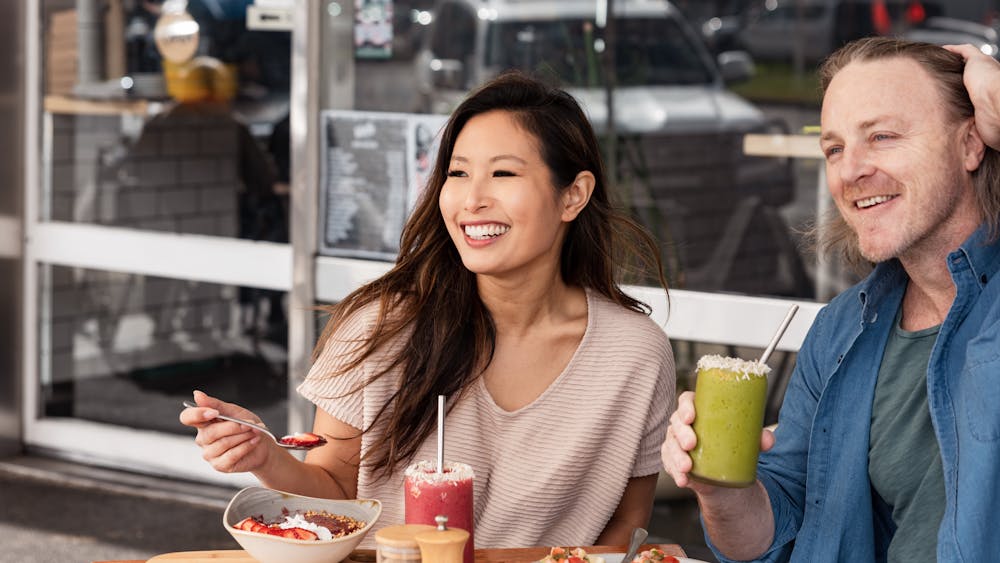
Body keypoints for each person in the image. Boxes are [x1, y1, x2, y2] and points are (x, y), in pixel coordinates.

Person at [181, 71, 675, 548]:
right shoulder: (380, 326)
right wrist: (266, 459)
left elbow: (627, 527)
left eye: (503, 173)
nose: (472, 199)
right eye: (458, 173)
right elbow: (333, 492)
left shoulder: (634, 353)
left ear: (573, 195)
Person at [661, 37, 1000, 562]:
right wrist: (719, 489)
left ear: (972, 144)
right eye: (834, 149)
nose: (849, 171)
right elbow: (775, 534)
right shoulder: (843, 330)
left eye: (882, 136)